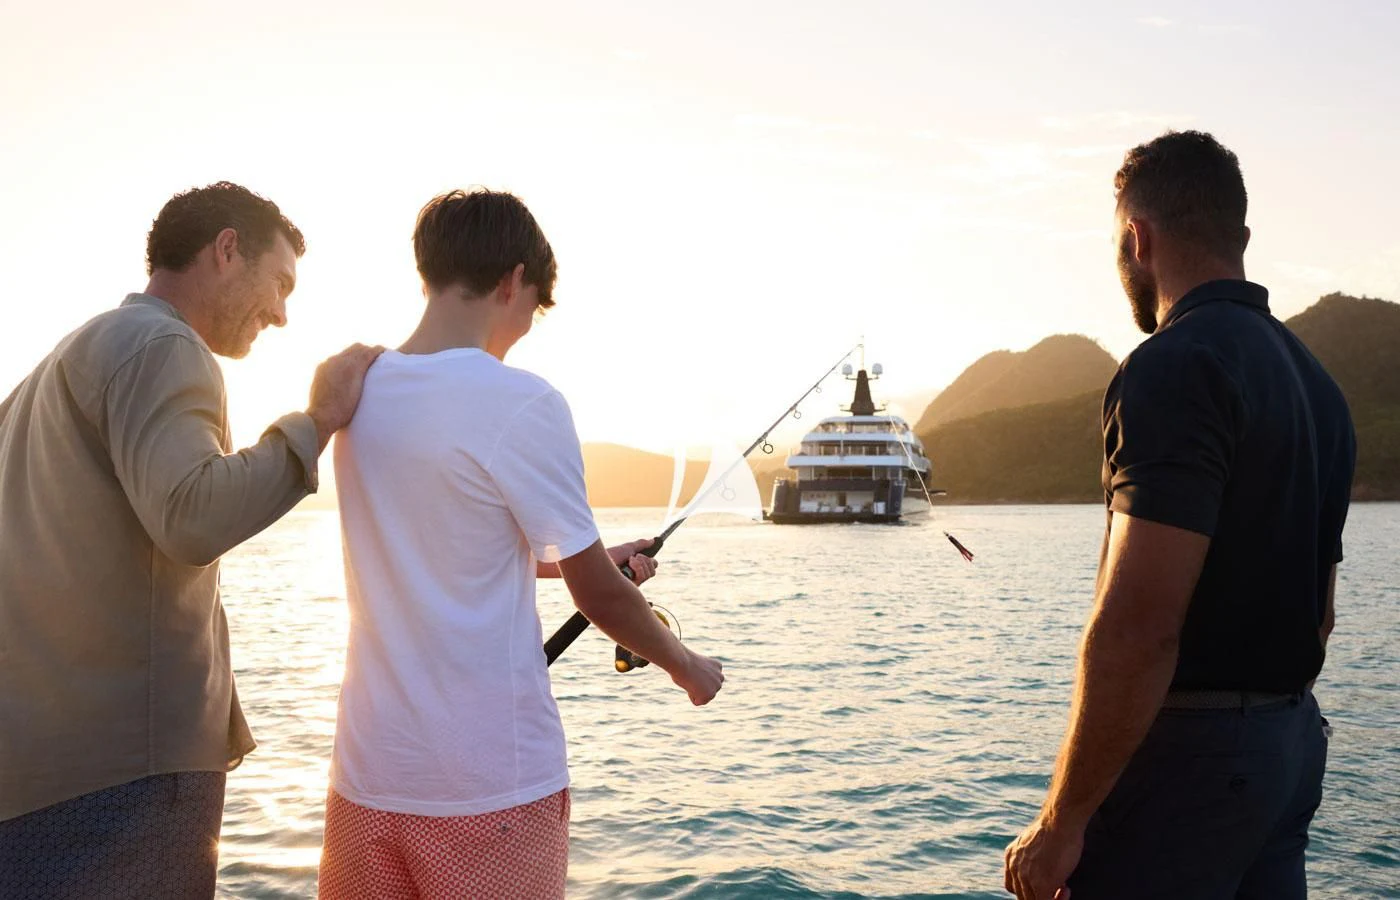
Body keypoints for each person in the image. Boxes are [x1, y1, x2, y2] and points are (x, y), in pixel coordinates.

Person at [317, 188, 724, 899]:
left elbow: (455, 540)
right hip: (489, 790)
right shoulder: (523, 401)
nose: (527, 327)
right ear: (512, 280)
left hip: (367, 779)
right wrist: (688, 668)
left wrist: (588, 552)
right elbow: (596, 594)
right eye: (534, 305)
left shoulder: (354, 389)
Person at [0, 182, 383, 899]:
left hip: (27, 775)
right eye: (279, 283)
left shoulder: (49, 372)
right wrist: (319, 419)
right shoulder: (165, 345)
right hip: (126, 777)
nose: (281, 311)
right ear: (227, 249)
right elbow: (192, 515)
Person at [1004, 131, 1355, 900]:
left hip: (1191, 764)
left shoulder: (1173, 364)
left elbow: (1139, 624)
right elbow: (1321, 618)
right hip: (1288, 748)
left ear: (1139, 238)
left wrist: (1062, 823)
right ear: (1242, 237)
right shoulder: (1318, 387)